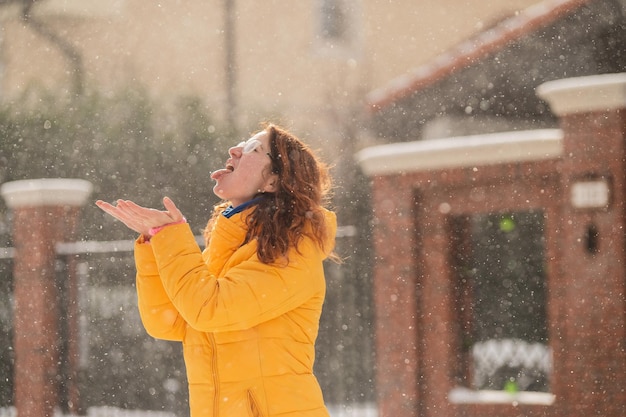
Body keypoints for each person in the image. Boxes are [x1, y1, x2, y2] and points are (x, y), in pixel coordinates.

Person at [96, 123, 338, 417]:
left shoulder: (293, 249)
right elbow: (169, 321)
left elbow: (209, 309)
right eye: (241, 142)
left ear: (273, 181)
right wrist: (155, 240)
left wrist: (171, 234)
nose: (234, 150)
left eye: (253, 149)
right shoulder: (232, 246)